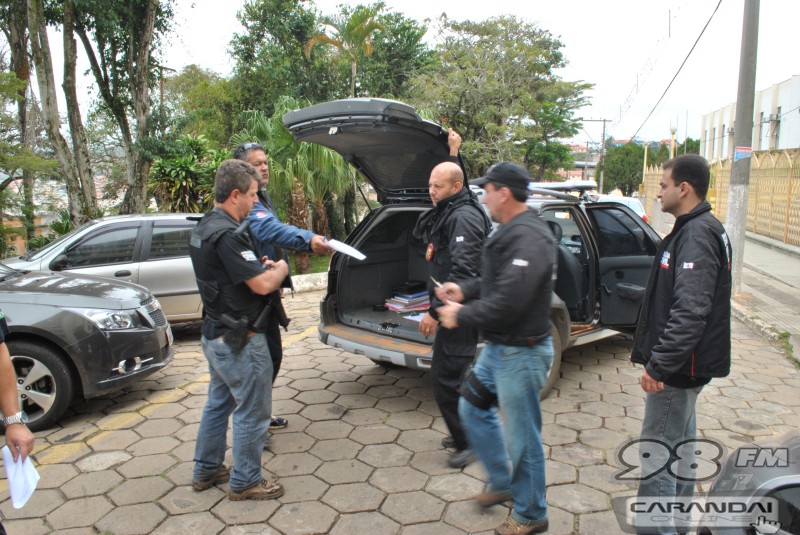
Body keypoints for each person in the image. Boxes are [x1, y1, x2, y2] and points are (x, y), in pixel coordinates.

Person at [436, 162, 555, 535]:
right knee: (471, 408)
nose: (484, 198)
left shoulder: (531, 237)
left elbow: (511, 301)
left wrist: (462, 314)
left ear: (504, 193)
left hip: (522, 353)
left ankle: (531, 514)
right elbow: (496, 282)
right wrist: (464, 290)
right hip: (499, 349)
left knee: (523, 438)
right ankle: (503, 482)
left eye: (487, 191)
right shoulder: (509, 230)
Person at [631, 154, 732, 535]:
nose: (658, 192)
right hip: (685, 368)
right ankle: (677, 524)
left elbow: (690, 312)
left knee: (658, 455)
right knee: (681, 450)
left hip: (677, 371)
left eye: (663, 185)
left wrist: (659, 365)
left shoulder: (697, 235)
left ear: (684, 188)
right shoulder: (694, 228)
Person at [190, 159, 289, 501]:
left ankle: (206, 470)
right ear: (235, 195)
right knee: (252, 411)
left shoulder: (205, 226)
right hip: (240, 341)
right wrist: (281, 268)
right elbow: (262, 285)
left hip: (216, 334)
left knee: (218, 404)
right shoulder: (229, 235)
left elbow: (227, 275)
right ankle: (246, 481)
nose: (256, 201)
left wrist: (256, 267)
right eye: (252, 195)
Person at [233, 142, 332, 432]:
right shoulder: (249, 203)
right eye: (256, 164)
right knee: (260, 364)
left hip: (268, 292)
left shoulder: (261, 196)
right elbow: (269, 229)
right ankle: (253, 426)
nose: (264, 168)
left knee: (271, 358)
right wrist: (308, 240)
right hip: (252, 297)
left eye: (265, 162)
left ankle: (259, 417)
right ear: (242, 170)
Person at [412, 129, 490, 468]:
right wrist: (453, 151)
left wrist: (433, 311)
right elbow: (461, 181)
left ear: (454, 188)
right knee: (452, 375)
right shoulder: (457, 201)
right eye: (430, 185)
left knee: (447, 378)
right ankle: (465, 433)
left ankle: (469, 441)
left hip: (459, 311)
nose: (432, 191)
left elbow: (463, 273)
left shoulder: (463, 217)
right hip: (452, 310)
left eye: (438, 186)